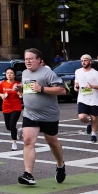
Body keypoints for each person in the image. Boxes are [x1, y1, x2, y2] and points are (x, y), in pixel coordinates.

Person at [17, 48, 67, 186]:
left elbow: (62, 90)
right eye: (26, 59)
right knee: (28, 141)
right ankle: (28, 174)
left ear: (39, 60)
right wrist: (21, 90)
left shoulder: (47, 73)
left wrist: (42, 89)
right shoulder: (25, 73)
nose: (27, 61)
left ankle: (60, 164)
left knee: (52, 142)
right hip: (30, 113)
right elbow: (29, 90)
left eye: (30, 59)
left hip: (48, 115)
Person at [74, 54, 98, 143]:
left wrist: (93, 86)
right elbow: (76, 82)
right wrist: (76, 87)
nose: (83, 62)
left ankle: (93, 135)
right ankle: (88, 123)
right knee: (81, 117)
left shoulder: (95, 73)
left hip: (94, 99)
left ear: (90, 61)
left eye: (85, 60)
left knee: (94, 118)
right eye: (82, 61)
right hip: (82, 98)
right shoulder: (77, 71)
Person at [0, 67, 23, 150]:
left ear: (14, 75)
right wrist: (2, 95)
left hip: (16, 107)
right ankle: (17, 131)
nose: (9, 75)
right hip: (6, 107)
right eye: (7, 73)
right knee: (8, 127)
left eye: (11, 73)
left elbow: (22, 94)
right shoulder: (3, 83)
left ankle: (14, 144)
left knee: (12, 125)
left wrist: (20, 93)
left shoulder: (18, 84)